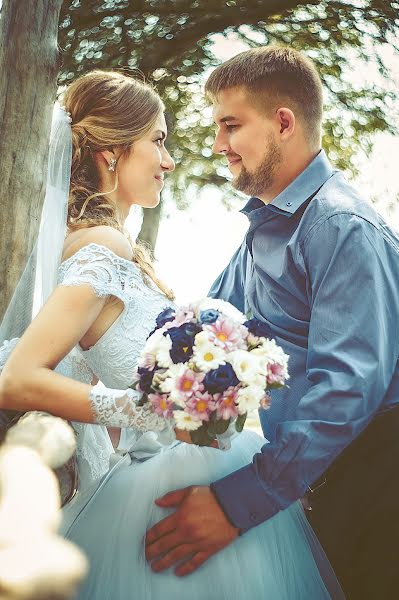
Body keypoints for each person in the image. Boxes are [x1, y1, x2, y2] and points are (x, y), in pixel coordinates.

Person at [0, 70, 343, 599]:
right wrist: (144, 409)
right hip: (159, 484)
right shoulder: (99, 249)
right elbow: (19, 377)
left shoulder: (118, 252)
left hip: (171, 467)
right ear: (111, 151)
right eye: (158, 141)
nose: (169, 160)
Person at [145, 47, 399, 600]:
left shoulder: (340, 226)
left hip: (378, 483)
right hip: (315, 481)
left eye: (230, 125)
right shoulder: (266, 231)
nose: (218, 146)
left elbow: (348, 388)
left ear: (283, 122)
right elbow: (209, 322)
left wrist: (237, 503)